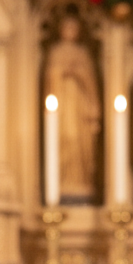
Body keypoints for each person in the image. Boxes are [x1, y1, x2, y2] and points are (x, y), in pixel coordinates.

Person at [44, 15, 101, 202]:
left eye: (73, 27)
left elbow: (90, 81)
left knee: (81, 145)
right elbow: (50, 78)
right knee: (66, 140)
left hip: (79, 106)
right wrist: (62, 71)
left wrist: (78, 73)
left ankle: (82, 184)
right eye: (66, 27)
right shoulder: (56, 52)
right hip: (62, 106)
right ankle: (64, 183)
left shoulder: (83, 53)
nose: (70, 31)